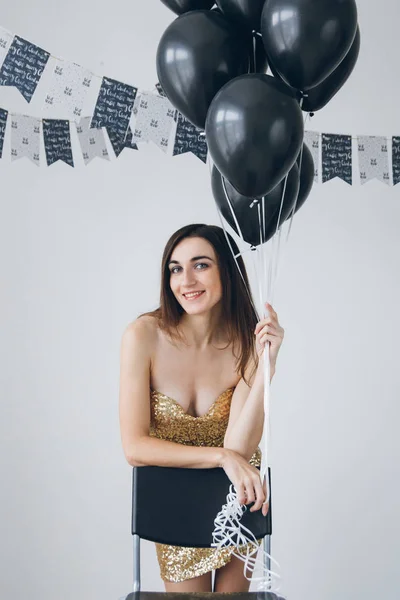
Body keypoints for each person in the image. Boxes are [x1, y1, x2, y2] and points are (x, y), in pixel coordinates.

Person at [119, 223, 284, 593]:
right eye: (175, 268)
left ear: (227, 269)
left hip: (236, 496)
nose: (186, 280)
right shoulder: (142, 336)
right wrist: (222, 457)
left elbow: (240, 448)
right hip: (175, 502)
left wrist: (266, 368)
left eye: (201, 265)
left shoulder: (246, 342)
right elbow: (135, 447)